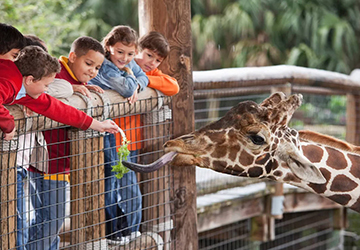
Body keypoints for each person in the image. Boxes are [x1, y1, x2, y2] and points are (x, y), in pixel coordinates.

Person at [0, 45, 118, 250]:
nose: (48, 90)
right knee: (14, 224)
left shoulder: (28, 92)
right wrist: (8, 123)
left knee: (17, 222)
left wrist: (99, 125)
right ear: (30, 80)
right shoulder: (9, 80)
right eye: (46, 85)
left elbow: (61, 110)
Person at [25, 36, 106, 250]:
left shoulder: (78, 80)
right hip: (49, 161)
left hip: (60, 161)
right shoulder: (56, 75)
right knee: (52, 221)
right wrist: (73, 89)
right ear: (72, 57)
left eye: (97, 67)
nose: (93, 71)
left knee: (52, 224)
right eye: (88, 64)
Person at [89, 25, 148, 244]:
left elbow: (145, 79)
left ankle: (122, 229)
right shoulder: (105, 65)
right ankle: (111, 230)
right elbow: (125, 89)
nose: (125, 58)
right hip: (99, 130)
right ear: (109, 47)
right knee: (109, 180)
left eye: (131, 54)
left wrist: (136, 84)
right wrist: (132, 78)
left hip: (115, 131)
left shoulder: (126, 63)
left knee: (117, 178)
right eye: (120, 52)